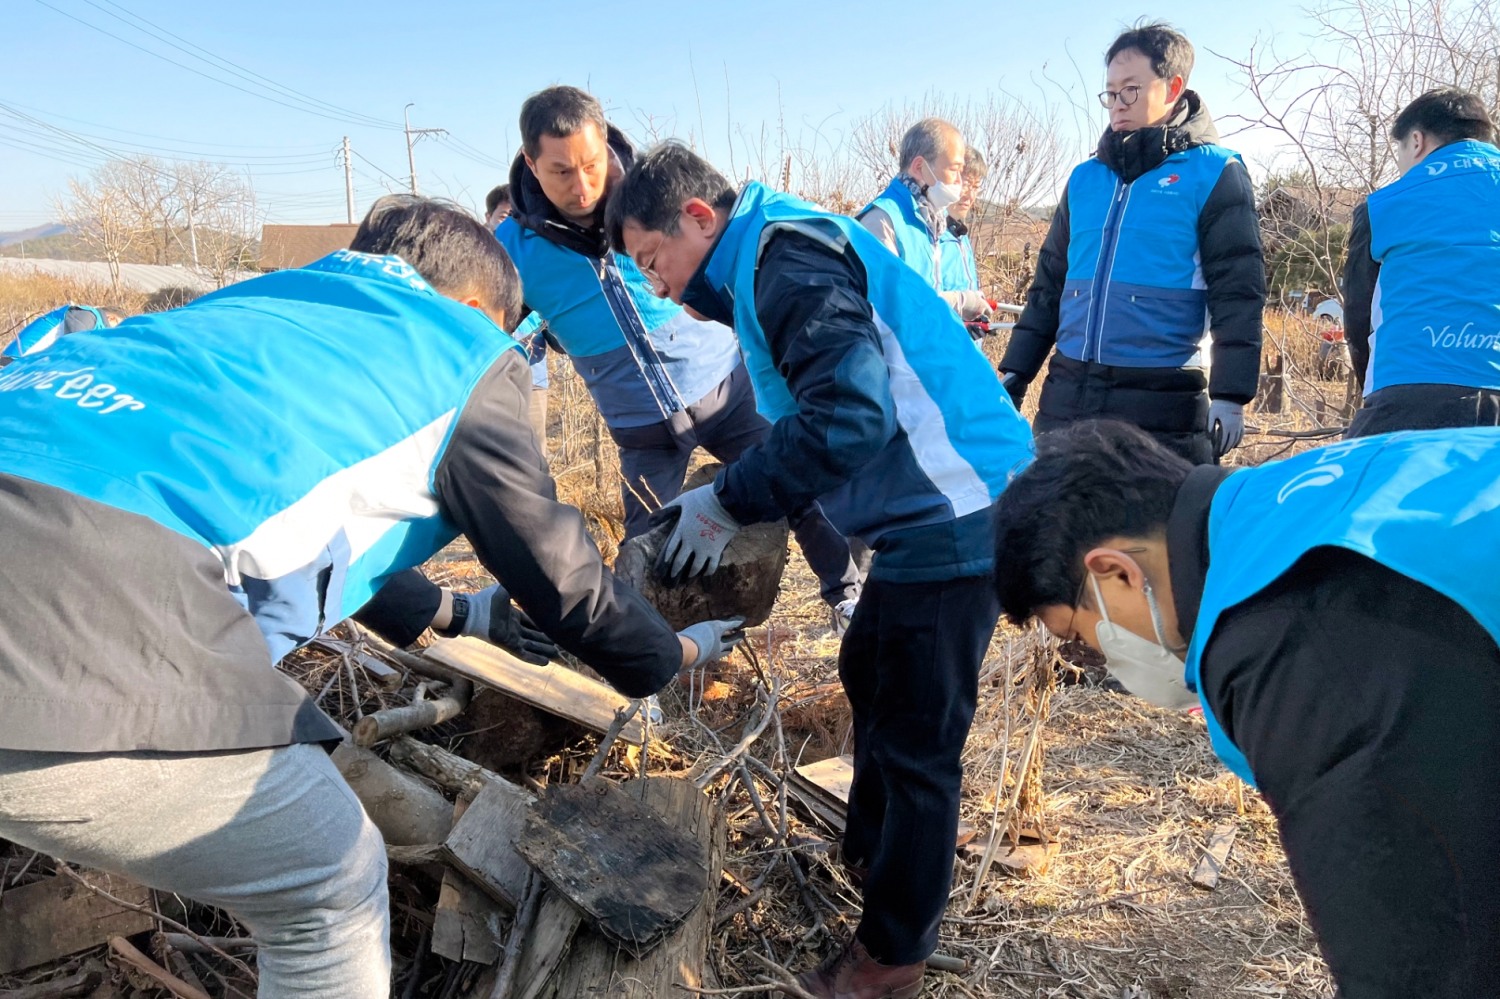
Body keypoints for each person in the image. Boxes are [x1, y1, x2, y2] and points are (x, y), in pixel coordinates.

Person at [0, 195, 745, 999]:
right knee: (330, 879)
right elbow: (569, 586)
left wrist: (464, 614)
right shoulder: (461, 352)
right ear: (474, 306)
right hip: (73, 634)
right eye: (509, 329)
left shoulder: (256, 311)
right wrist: (675, 651)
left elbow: (307, 527)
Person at [605, 142, 1034, 999]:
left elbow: (852, 413)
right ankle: (875, 859)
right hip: (928, 510)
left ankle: (890, 957)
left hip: (960, 508)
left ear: (698, 217)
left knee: (917, 736)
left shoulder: (782, 259)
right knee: (866, 663)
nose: (656, 286)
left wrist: (730, 499)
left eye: (654, 261)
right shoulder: (769, 254)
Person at [991, 419, 1500, 998]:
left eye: (1082, 636)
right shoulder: (1291, 503)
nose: (1098, 657)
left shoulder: (1289, 638)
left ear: (1117, 572)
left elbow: (1419, 955)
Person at [495, 85, 861, 626]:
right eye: (561, 172)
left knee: (795, 488)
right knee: (643, 541)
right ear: (530, 161)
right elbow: (492, 323)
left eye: (591, 165)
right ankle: (647, 660)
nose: (583, 186)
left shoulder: (654, 198)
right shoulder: (514, 246)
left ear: (606, 143)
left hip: (726, 390)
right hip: (640, 426)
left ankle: (846, 595)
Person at [998, 22, 1264, 465]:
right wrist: (1016, 370)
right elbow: (1049, 285)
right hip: (1067, 396)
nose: (1117, 105)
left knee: (1151, 532)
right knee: (1055, 528)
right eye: (1110, 93)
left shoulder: (1215, 173)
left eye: (1131, 91)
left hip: (1161, 404)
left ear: (1173, 87)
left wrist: (1231, 394)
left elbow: (1238, 290)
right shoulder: (1086, 179)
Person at [1342, 88, 1500, 436]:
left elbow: (1359, 315)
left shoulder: (1382, 205)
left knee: (1359, 488)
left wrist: (1378, 391)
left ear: (1417, 141)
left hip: (1408, 396)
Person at [858, 118, 990, 323]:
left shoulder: (929, 221)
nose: (958, 181)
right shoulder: (883, 220)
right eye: (954, 170)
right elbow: (891, 304)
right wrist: (962, 302)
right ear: (920, 167)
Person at [486, 182, 552, 455]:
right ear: (487, 218)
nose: (510, 224)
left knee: (536, 455)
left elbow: (549, 311)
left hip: (531, 377)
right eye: (503, 216)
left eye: (515, 217)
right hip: (486, 382)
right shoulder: (475, 269)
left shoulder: (536, 265)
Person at [940, 147, 993, 334]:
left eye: (976, 187)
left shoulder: (961, 236)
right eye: (966, 184)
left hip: (963, 353)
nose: (970, 196)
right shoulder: (932, 238)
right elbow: (922, 301)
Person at [1, 303, 124, 360]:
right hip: (16, 361)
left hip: (26, 366)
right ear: (111, 318)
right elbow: (75, 344)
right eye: (117, 325)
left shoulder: (92, 320)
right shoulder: (87, 314)